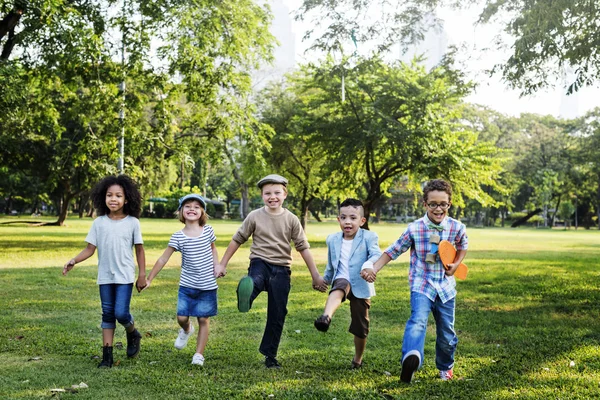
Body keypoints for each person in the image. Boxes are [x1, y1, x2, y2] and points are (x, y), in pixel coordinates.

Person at [361, 179, 468, 382]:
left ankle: (446, 367)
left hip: (446, 288)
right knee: (418, 321)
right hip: (422, 284)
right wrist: (374, 268)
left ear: (449, 204)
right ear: (425, 204)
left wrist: (456, 263)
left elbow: (463, 245)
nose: (438, 208)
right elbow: (393, 250)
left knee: (447, 333)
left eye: (443, 204)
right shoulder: (415, 228)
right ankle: (411, 358)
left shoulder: (457, 227)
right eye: (433, 204)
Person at [218, 174, 327, 369]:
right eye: (267, 193)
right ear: (262, 196)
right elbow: (238, 239)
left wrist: (315, 275)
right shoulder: (254, 216)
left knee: (278, 312)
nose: (272, 197)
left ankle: (270, 355)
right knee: (255, 280)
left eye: (277, 192)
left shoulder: (292, 220)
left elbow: (303, 247)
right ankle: (246, 296)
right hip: (260, 262)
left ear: (285, 194)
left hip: (282, 269)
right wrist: (222, 264)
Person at [62, 175, 146, 368]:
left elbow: (139, 250)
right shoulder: (99, 223)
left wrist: (142, 275)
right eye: (109, 195)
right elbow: (90, 249)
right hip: (105, 276)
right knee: (107, 314)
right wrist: (74, 260)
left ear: (127, 199)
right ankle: (107, 357)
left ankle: (132, 332)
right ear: (103, 198)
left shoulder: (133, 222)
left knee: (121, 313)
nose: (113, 199)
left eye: (118, 195)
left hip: (125, 276)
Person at [143, 194, 222, 366]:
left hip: (207, 285)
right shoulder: (178, 237)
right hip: (187, 286)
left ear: (202, 212)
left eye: (196, 206)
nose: (192, 209)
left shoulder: (208, 231)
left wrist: (218, 265)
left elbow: (213, 250)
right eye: (187, 206)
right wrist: (149, 279)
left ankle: (199, 354)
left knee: (203, 319)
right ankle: (187, 329)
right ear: (181, 212)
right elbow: (163, 259)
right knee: (181, 317)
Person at [313, 198, 381, 369]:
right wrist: (324, 280)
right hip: (341, 279)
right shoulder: (332, 239)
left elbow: (376, 254)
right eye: (343, 218)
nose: (347, 222)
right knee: (340, 286)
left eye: (352, 217)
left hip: (361, 282)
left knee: (361, 325)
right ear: (338, 220)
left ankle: (357, 359)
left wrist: (368, 267)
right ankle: (326, 317)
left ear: (362, 221)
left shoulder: (369, 236)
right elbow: (331, 265)